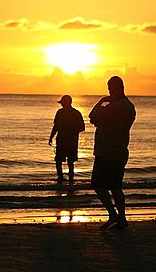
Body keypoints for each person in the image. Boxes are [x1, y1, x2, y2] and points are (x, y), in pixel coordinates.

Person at [89, 76, 136, 229]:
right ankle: (121, 218)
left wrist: (101, 101)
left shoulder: (115, 107)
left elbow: (92, 116)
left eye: (109, 89)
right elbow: (97, 119)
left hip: (106, 151)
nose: (109, 91)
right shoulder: (129, 106)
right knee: (116, 187)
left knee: (98, 185)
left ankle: (113, 214)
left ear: (114, 88)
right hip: (120, 150)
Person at [49, 95, 86, 185]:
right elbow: (56, 126)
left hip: (69, 142)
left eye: (62, 103)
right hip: (65, 141)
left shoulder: (74, 113)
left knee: (68, 162)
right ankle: (63, 179)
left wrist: (71, 130)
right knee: (61, 162)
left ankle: (68, 180)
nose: (61, 105)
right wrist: (51, 137)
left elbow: (82, 127)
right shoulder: (62, 112)